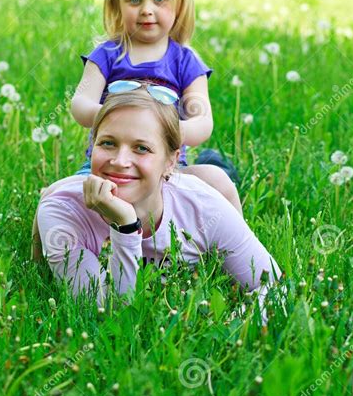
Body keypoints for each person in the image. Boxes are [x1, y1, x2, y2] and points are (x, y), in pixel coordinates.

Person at [35, 90, 280, 306]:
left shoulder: (203, 206)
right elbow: (108, 311)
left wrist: (233, 332)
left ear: (172, 161)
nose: (120, 161)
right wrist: (126, 225)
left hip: (186, 185)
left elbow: (274, 287)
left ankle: (215, 160)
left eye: (142, 148)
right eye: (107, 143)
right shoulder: (62, 210)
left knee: (216, 173)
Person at [70, 0, 243, 214]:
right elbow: (80, 104)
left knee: (219, 180)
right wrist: (122, 119)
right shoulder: (106, 55)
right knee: (62, 198)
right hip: (109, 172)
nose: (146, 9)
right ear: (116, 4)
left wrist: (158, 129)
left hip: (168, 174)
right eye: (134, 0)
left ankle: (237, 246)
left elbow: (203, 122)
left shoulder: (186, 62)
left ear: (180, 4)